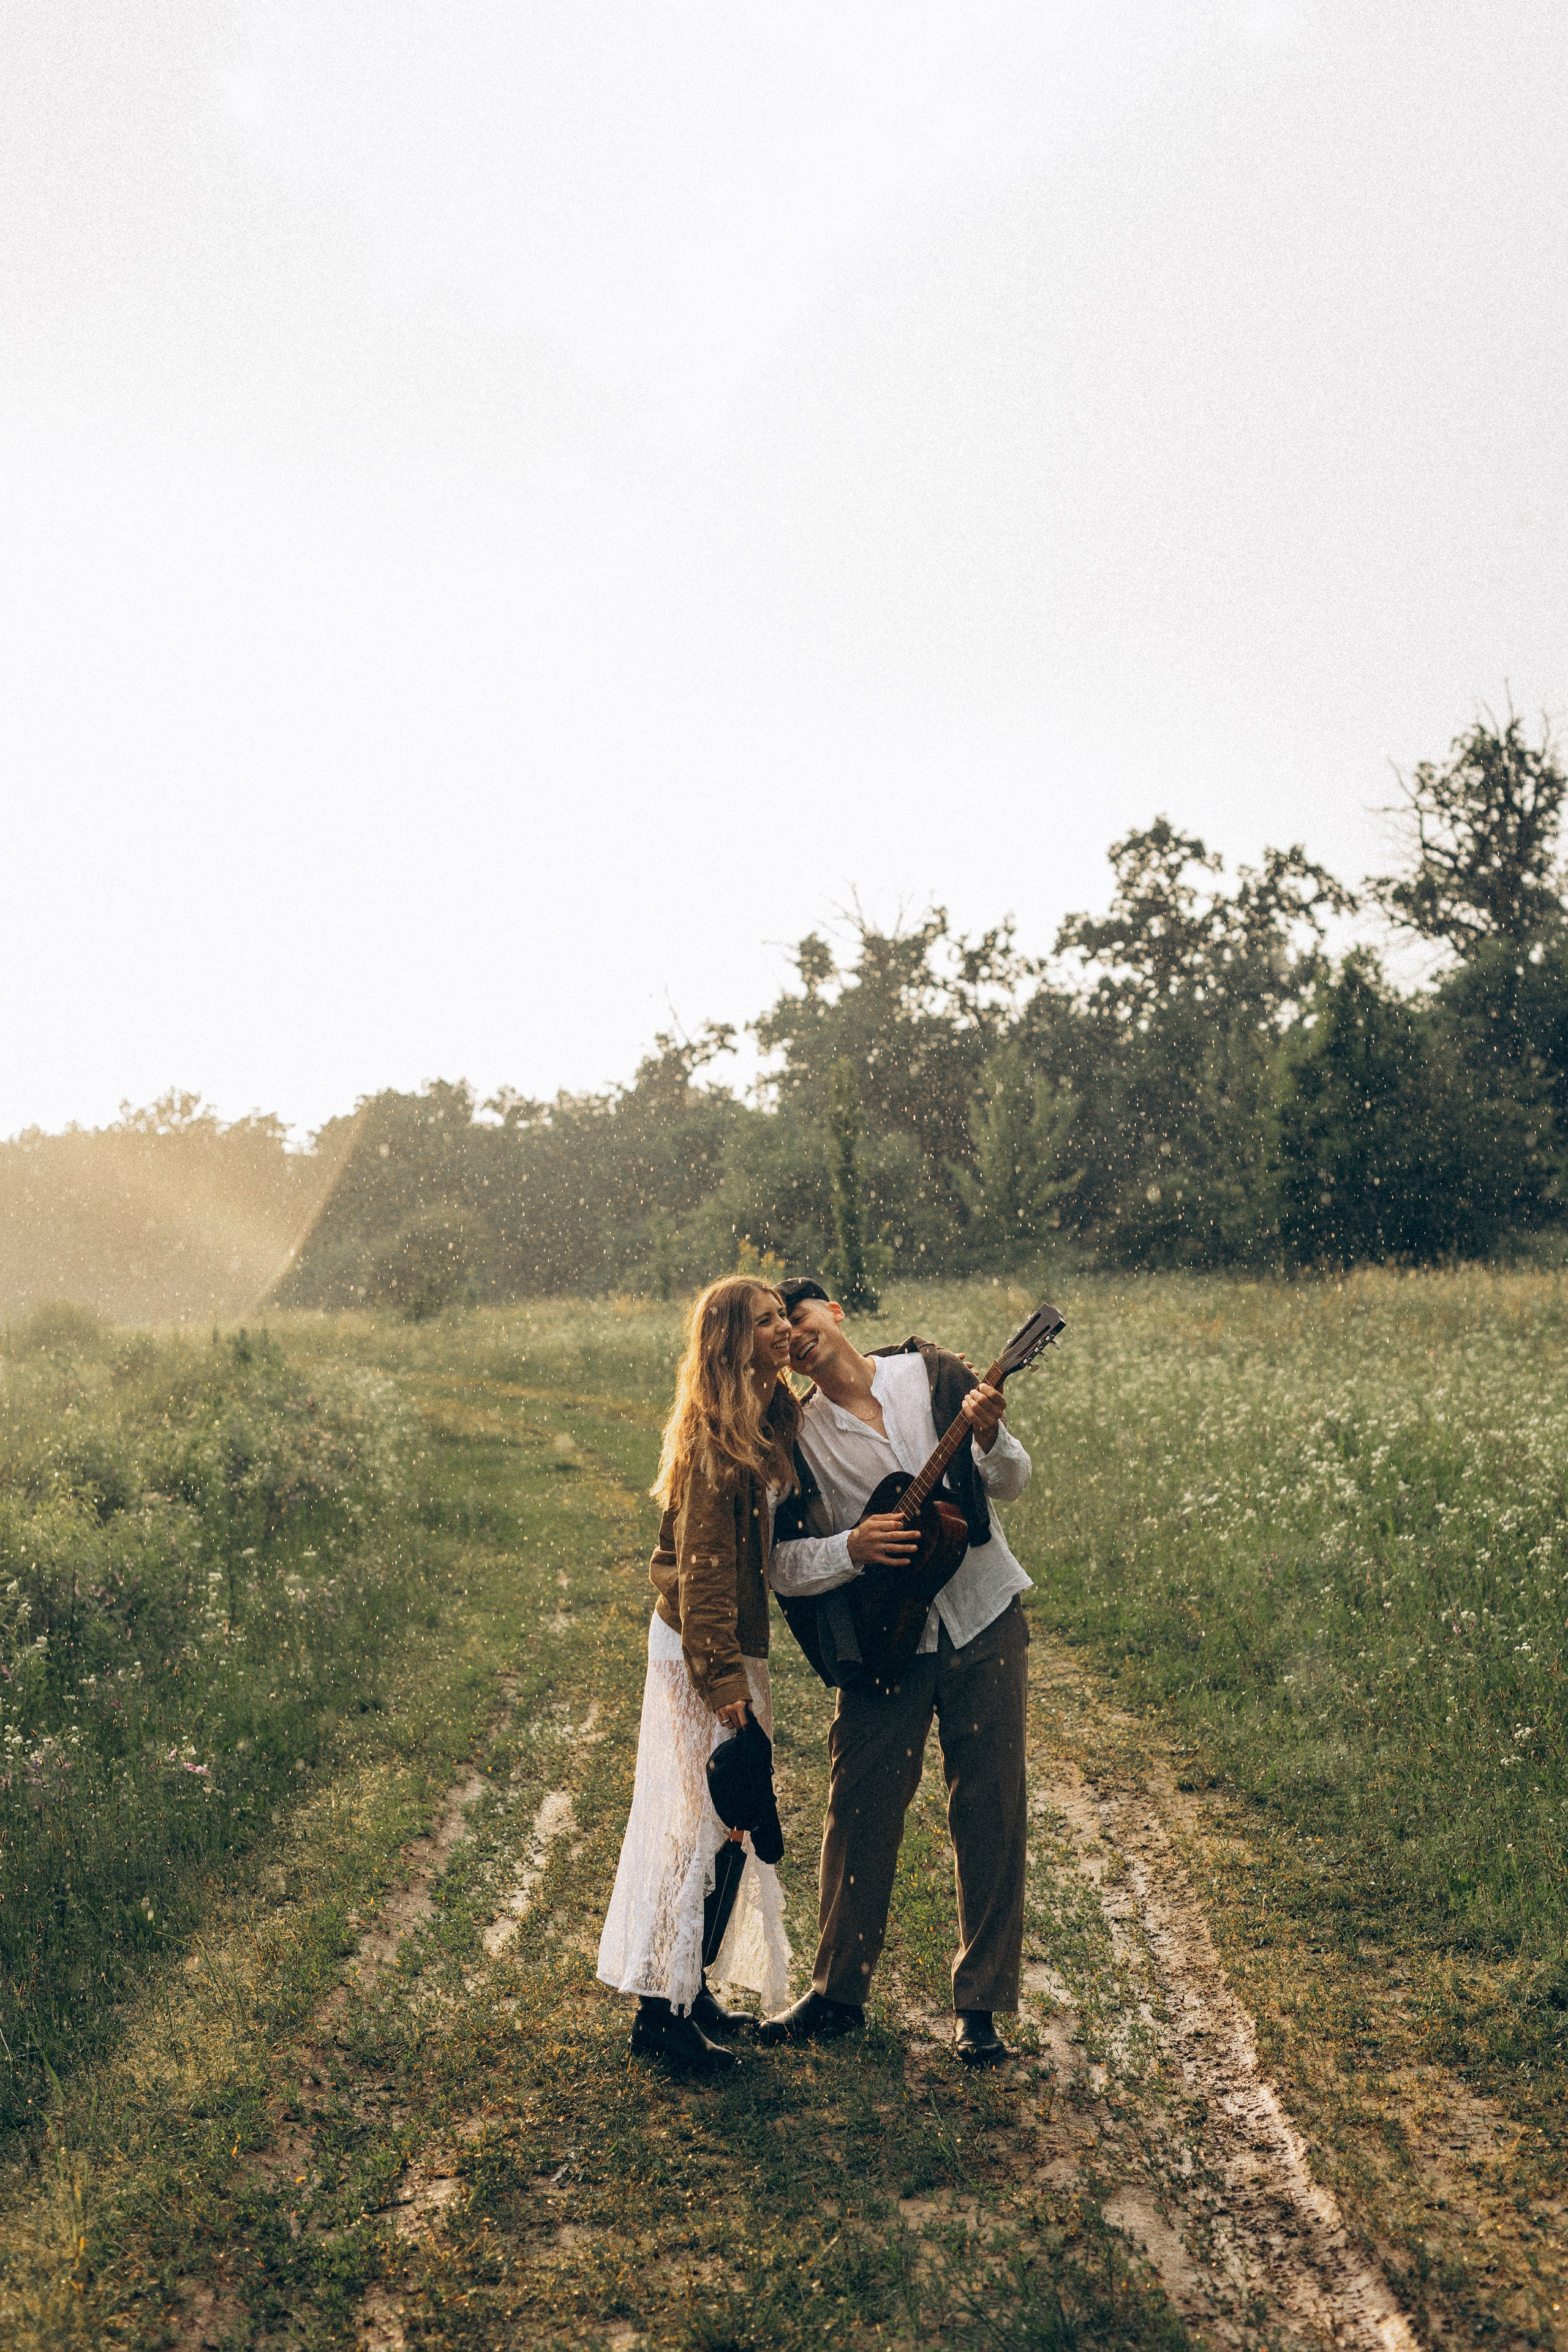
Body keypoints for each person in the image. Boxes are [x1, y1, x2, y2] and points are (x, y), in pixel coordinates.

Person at [759, 1278, 1032, 2067]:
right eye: (780, 1331)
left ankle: (980, 2006)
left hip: (983, 1614)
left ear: (835, 1313)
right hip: (887, 1642)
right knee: (860, 1806)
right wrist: (852, 1548)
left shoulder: (936, 1377)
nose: (795, 1335)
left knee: (990, 1806)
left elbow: (1012, 1482)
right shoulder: (795, 1437)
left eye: (801, 1316)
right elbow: (778, 1564)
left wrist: (987, 1438)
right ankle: (838, 1995)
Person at [596, 1277, 797, 2073]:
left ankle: (691, 1987)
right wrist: (723, 1689)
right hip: (700, 1651)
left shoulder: (750, 1417)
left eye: (785, 1314)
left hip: (726, 1647)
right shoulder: (715, 1443)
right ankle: (661, 2020)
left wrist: (798, 1356)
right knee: (693, 1826)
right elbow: (705, 1579)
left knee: (727, 1825)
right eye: (767, 1321)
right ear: (730, 1341)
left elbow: (794, 1426)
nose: (783, 1327)